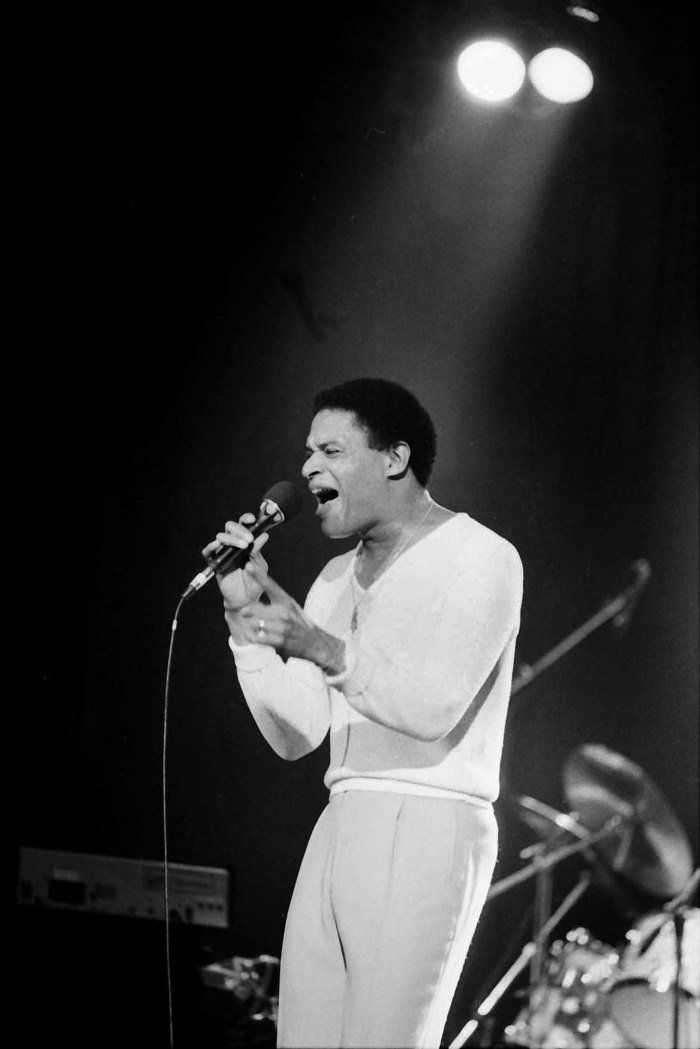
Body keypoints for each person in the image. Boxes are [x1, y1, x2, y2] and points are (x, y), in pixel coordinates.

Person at [203, 377, 523, 1048]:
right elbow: (298, 735)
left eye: (331, 450)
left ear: (394, 458)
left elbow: (433, 704)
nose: (308, 469)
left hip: (430, 815)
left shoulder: (481, 556)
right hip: (341, 814)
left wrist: (317, 643)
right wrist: (243, 622)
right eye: (307, 453)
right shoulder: (331, 579)